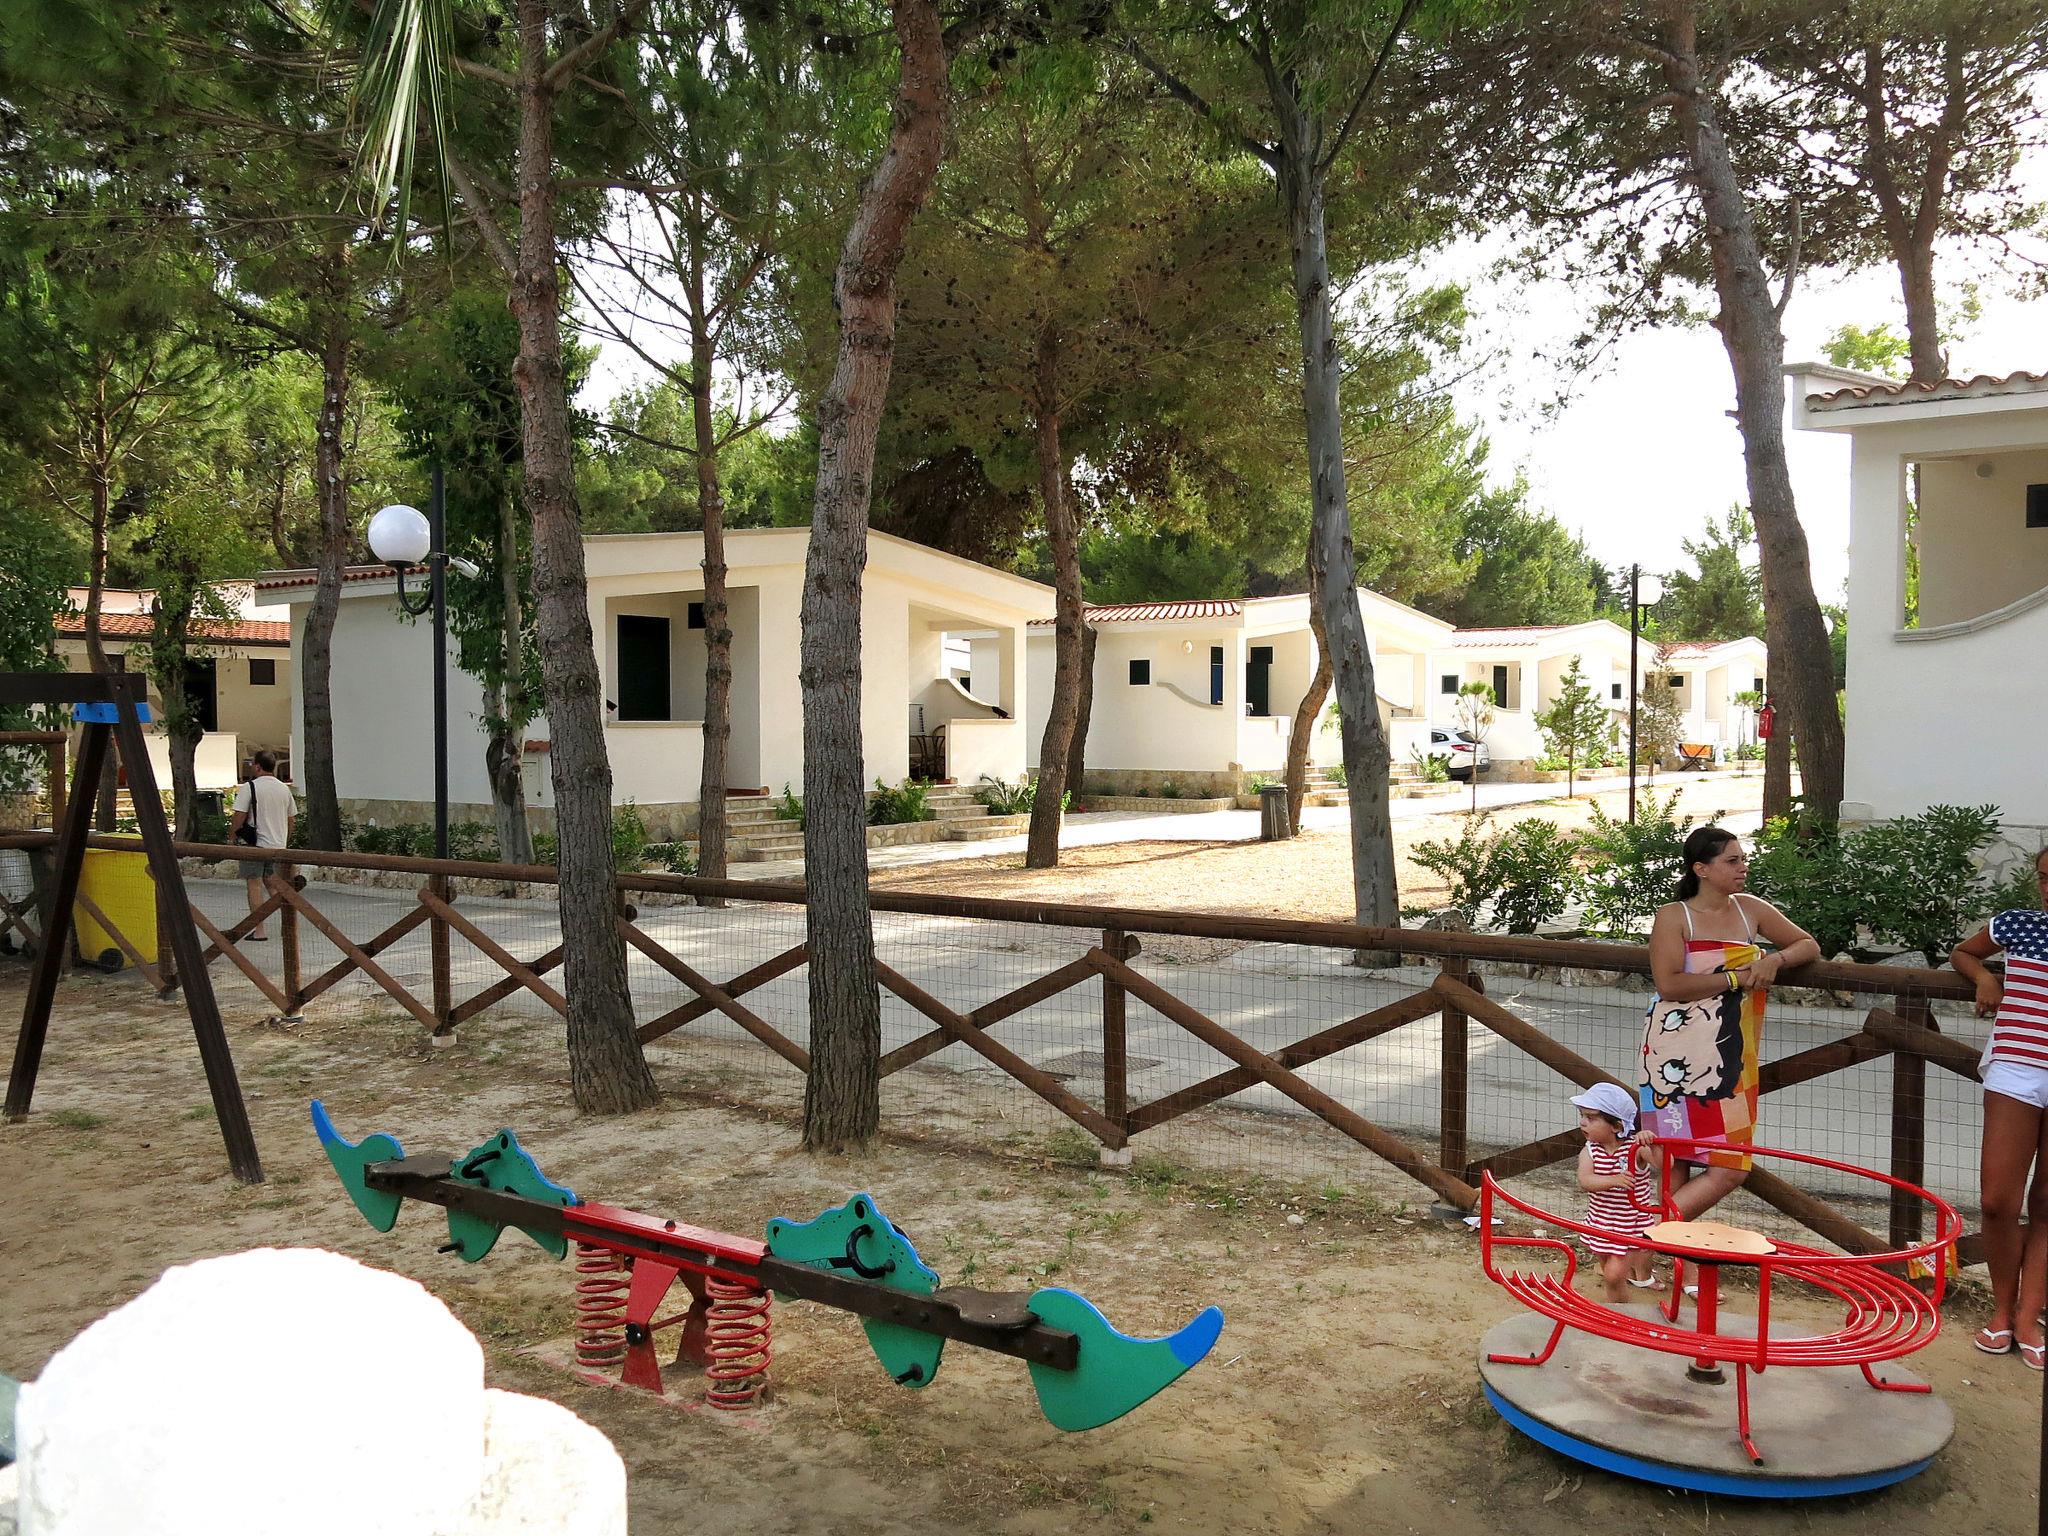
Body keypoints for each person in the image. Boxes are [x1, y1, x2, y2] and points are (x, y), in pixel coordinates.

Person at [1637, 826, 1820, 1220]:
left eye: (1743, 859)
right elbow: (1669, 984)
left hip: (1731, 1056)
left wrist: (1774, 960)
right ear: (1701, 869)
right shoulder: (1674, 916)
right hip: (1674, 1054)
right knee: (1674, 1160)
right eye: (1732, 861)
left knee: (1730, 1166)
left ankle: (1645, 1242)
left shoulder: (1749, 908)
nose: (1743, 867)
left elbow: (1808, 944)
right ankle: (1652, 1248)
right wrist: (1737, 978)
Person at [1950, 846, 2048, 1368]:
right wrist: (1986, 977)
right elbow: (1962, 953)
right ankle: (2002, 1308)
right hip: (2017, 1067)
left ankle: (2028, 1317)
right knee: (1996, 1201)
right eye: (2044, 878)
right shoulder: (2019, 925)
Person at [1572, 1082, 1658, 1303]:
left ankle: (1619, 1311)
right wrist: (1614, 1180)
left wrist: (1653, 1143)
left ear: (1617, 1126)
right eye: (1582, 1116)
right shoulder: (1590, 1151)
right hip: (1601, 1222)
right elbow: (1585, 1180)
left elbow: (1665, 1163)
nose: (1583, 1122)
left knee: (1613, 1275)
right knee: (1608, 1268)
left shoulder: (1635, 1149)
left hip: (1629, 1225)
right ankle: (1619, 1305)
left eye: (1591, 1118)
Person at [229, 751, 296, 941]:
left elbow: (239, 816)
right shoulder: (284, 789)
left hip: (255, 845)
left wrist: (231, 837)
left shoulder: (250, 787)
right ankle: (289, 923)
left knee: (254, 884)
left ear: (258, 766)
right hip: (278, 845)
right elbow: (291, 819)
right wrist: (284, 839)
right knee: (273, 885)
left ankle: (259, 930)